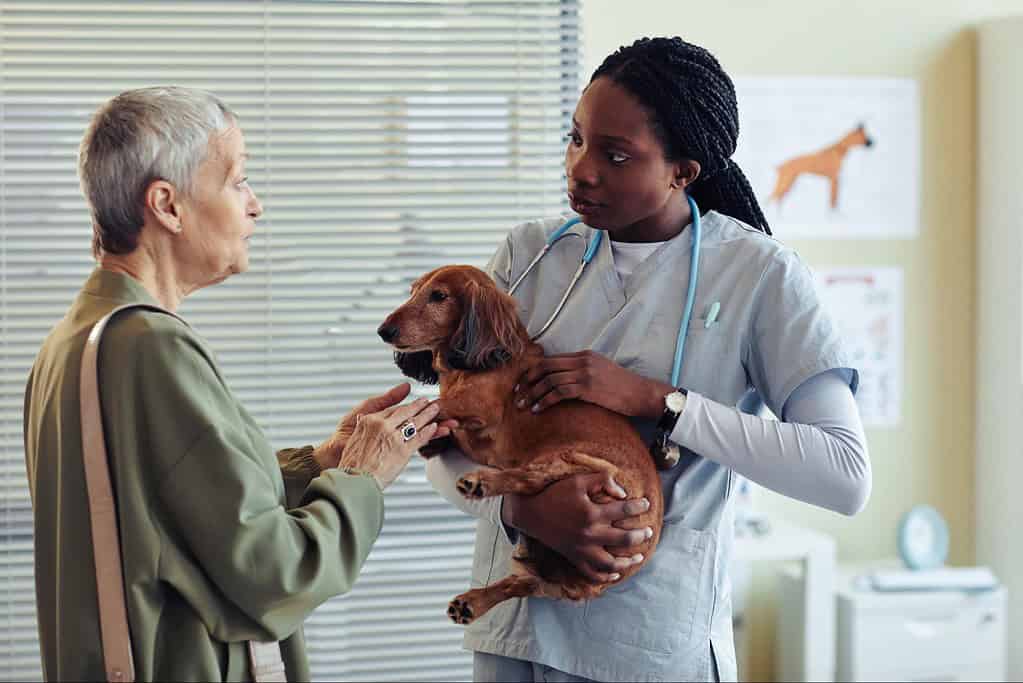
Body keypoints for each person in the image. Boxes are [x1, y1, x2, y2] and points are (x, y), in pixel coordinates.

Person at [425, 36, 871, 682]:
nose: (580, 169)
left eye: (614, 155)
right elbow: (444, 436)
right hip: (516, 637)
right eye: (574, 139)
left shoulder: (759, 277)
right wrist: (520, 506)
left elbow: (844, 473)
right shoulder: (527, 258)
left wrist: (657, 402)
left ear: (681, 172)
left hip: (652, 645)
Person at [22, 86, 455, 682]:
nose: (255, 206)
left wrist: (321, 462)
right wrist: (362, 478)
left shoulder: (76, 338)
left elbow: (172, 516)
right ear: (167, 206)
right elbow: (273, 575)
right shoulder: (151, 348)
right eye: (237, 181)